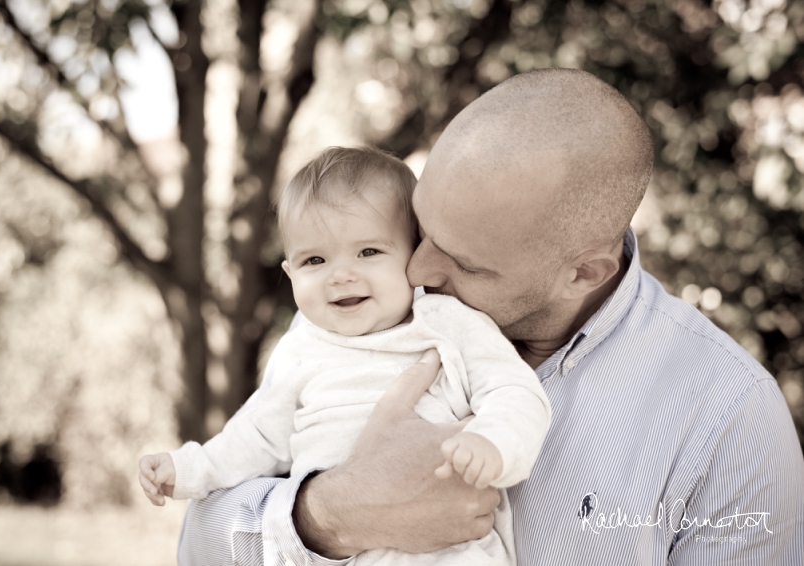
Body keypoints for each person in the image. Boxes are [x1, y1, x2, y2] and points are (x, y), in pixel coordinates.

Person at [177, 69, 804, 565]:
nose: (419, 271)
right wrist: (328, 517)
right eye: (422, 229)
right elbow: (199, 543)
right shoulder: (371, 308)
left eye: (465, 262)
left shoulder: (727, 420)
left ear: (583, 272)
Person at [139, 147, 552, 565]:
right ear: (290, 273)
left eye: (369, 252)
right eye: (314, 260)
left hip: (453, 552)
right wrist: (189, 468)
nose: (341, 275)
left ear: (415, 252)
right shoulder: (301, 348)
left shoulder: (448, 324)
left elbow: (514, 390)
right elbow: (255, 436)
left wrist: (494, 443)